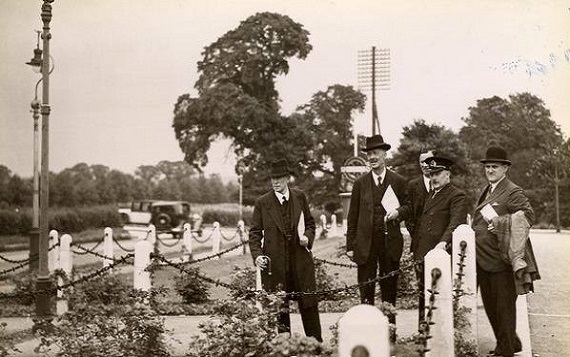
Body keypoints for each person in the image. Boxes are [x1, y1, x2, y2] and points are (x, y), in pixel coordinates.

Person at [248, 158, 322, 342]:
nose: (275, 182)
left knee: (308, 304)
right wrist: (257, 256)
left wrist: (307, 237)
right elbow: (255, 233)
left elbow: (311, 224)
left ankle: (317, 345)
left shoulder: (300, 197)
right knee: (280, 308)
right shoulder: (262, 202)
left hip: (300, 262)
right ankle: (284, 347)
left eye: (279, 178)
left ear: (287, 178)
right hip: (276, 265)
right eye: (273, 178)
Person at [473, 146, 535, 357]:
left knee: (503, 307)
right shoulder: (487, 189)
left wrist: (501, 222)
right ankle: (511, 341)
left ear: (505, 169)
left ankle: (505, 349)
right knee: (491, 306)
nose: (490, 170)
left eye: (495, 167)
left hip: (501, 259)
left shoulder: (512, 190)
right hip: (483, 258)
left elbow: (527, 216)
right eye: (488, 167)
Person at [346, 134, 409, 333]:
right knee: (366, 293)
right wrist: (350, 246)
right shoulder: (360, 183)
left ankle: (390, 339)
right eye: (370, 154)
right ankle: (367, 337)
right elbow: (352, 216)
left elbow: (409, 206)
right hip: (366, 246)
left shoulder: (398, 181)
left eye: (376, 153)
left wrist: (399, 212)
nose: (372, 157)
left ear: (384, 154)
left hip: (390, 245)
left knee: (389, 293)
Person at [412, 155, 467, 326]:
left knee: (440, 294)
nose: (433, 178)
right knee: (423, 293)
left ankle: (442, 330)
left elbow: (455, 223)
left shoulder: (456, 195)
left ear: (447, 175)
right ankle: (423, 329)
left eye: (438, 174)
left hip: (441, 254)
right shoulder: (431, 195)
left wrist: (443, 243)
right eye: (431, 174)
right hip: (422, 253)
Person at [405, 149, 435, 254]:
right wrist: (415, 234)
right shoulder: (412, 186)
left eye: (428, 161)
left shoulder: (443, 183)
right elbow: (409, 213)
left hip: (438, 243)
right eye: (422, 162)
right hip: (419, 243)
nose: (425, 165)